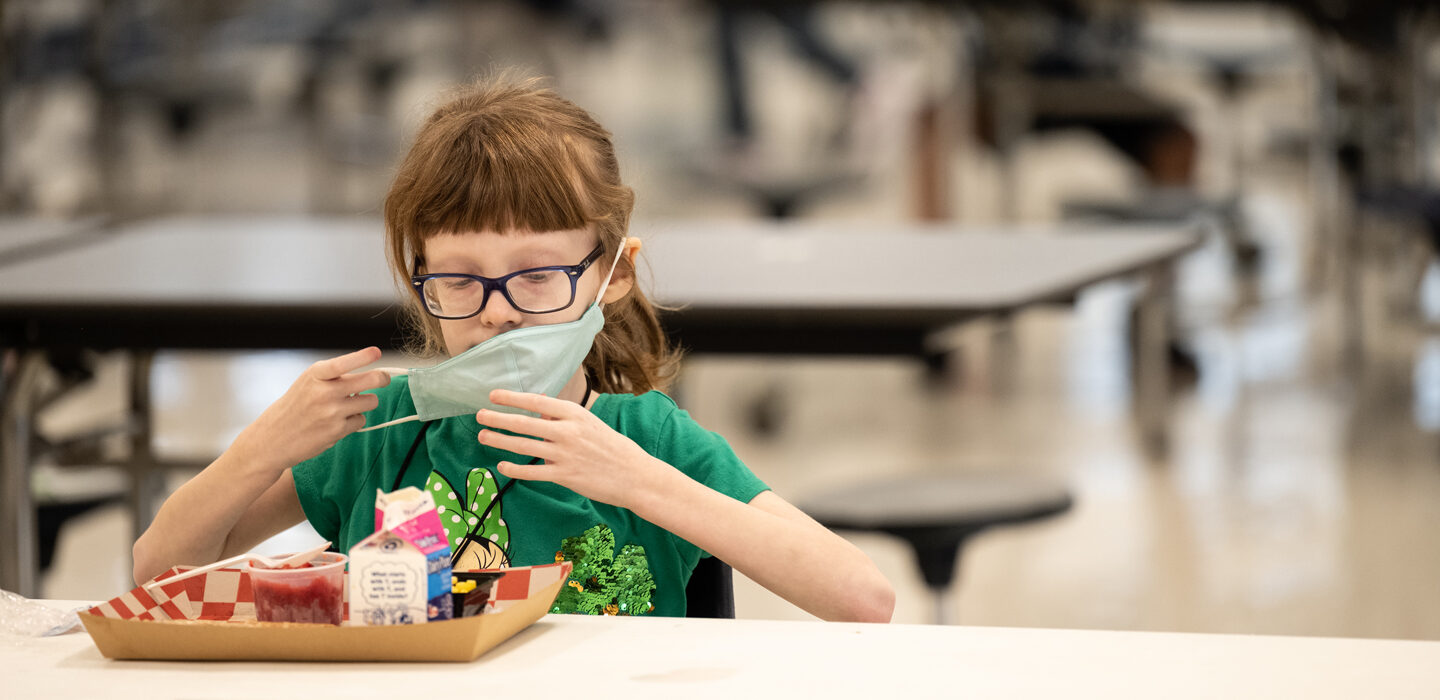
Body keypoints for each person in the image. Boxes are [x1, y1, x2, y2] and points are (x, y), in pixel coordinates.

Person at [132, 75, 895, 622]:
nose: (498, 314)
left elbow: (863, 598)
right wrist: (259, 449)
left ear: (613, 276)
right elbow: (156, 573)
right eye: (460, 281)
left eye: (538, 277)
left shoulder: (648, 439)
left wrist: (638, 482)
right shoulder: (381, 430)